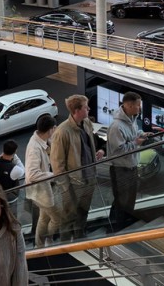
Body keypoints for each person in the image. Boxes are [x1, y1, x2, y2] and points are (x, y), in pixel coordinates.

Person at [51, 94, 104, 241]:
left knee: (83, 212)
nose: (89, 109)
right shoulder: (62, 132)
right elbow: (57, 164)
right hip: (73, 184)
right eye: (86, 107)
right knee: (68, 217)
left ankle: (80, 238)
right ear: (77, 110)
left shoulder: (86, 123)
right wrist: (66, 188)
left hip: (89, 178)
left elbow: (93, 142)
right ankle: (65, 244)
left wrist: (101, 150)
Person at [106, 91, 149, 232]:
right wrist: (136, 142)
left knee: (129, 199)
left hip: (131, 166)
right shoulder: (116, 127)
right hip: (121, 169)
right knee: (121, 201)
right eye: (138, 105)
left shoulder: (132, 119)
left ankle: (124, 224)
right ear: (129, 106)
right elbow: (118, 151)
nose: (140, 108)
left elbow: (133, 135)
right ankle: (117, 229)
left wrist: (142, 135)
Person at [25, 114, 59, 248]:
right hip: (40, 192)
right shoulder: (35, 147)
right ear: (50, 129)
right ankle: (48, 240)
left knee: (44, 218)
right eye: (54, 128)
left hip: (43, 191)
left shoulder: (41, 141)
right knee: (57, 218)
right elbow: (32, 174)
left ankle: (39, 245)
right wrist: (53, 175)